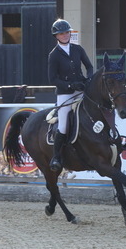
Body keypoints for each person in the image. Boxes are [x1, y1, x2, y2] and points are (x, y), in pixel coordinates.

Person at [47, 19, 93, 172]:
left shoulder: (78, 49)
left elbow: (89, 66)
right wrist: (69, 85)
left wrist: (89, 80)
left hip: (81, 89)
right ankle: (56, 157)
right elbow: (52, 79)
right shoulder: (54, 55)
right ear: (56, 36)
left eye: (67, 32)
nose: (65, 35)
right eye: (62, 33)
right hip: (65, 93)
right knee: (63, 125)